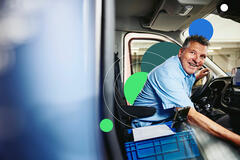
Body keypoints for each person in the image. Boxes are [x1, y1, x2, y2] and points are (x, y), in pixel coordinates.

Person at [132, 35, 240, 146]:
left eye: (202, 56)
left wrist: (197, 76)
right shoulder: (167, 73)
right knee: (214, 141)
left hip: (164, 120)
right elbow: (190, 116)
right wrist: (237, 139)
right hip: (147, 128)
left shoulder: (181, 68)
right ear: (181, 52)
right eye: (192, 53)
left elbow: (180, 83)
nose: (197, 60)